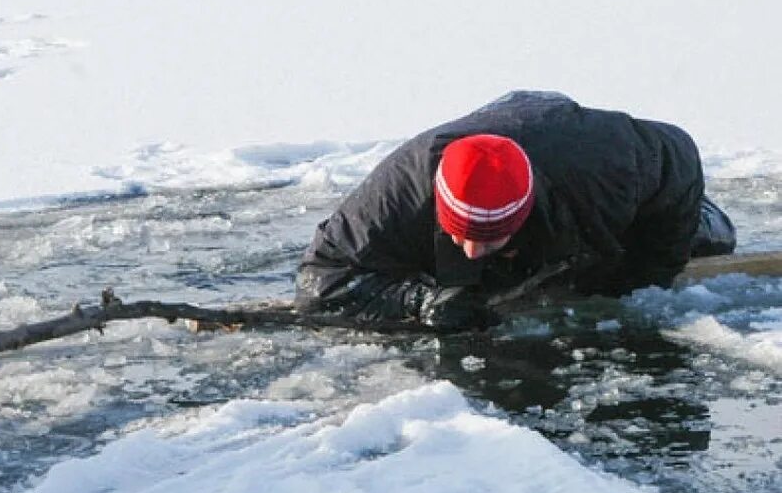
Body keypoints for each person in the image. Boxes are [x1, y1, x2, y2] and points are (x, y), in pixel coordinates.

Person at [294, 90, 736, 331]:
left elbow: (680, 157)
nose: (470, 249)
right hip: (510, 127)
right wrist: (420, 299)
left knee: (711, 237)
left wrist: (641, 280)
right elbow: (321, 282)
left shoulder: (610, 168)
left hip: (568, 151)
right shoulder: (400, 191)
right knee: (456, 267)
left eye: (489, 237)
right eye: (459, 233)